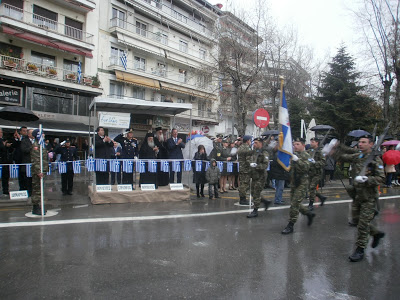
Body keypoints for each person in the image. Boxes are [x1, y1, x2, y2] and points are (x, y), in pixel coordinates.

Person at [329, 135, 385, 262]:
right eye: (359, 142)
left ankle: (360, 249)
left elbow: (381, 178)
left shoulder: (376, 160)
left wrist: (367, 179)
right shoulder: (359, 156)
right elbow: (344, 157)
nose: (360, 144)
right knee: (356, 220)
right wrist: (333, 152)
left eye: (364, 142)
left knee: (362, 225)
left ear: (371, 144)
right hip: (357, 195)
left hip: (368, 197)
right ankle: (376, 233)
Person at [281, 138, 316, 234]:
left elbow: (306, 167)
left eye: (297, 144)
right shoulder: (294, 155)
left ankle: (291, 225)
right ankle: (308, 213)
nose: (295, 146)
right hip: (294, 182)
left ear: (303, 145)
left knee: (294, 204)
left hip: (302, 183)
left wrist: (298, 161)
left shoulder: (306, 156)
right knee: (294, 202)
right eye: (294, 144)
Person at [246, 137, 272, 218]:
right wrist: (250, 163)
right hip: (254, 175)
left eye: (256, 143)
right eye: (254, 143)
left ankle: (255, 210)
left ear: (261, 143)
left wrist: (256, 166)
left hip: (261, 176)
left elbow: (265, 165)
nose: (254, 144)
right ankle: (265, 201)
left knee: (256, 193)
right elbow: (250, 159)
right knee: (253, 192)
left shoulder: (264, 153)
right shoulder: (255, 152)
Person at [30, 129, 49, 215]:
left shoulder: (42, 144)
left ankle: (39, 206)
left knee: (40, 189)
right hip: (37, 171)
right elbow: (36, 160)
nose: (44, 135)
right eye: (42, 133)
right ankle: (35, 207)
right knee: (36, 190)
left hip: (43, 170)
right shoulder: (36, 146)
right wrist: (38, 171)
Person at [307, 137, 327, 210]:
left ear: (317, 143)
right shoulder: (309, 150)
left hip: (317, 173)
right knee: (310, 188)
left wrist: (315, 163)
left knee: (312, 187)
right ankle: (322, 197)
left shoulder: (320, 152)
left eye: (313, 142)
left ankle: (311, 204)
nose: (311, 143)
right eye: (311, 142)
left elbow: (323, 162)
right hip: (310, 172)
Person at [237, 135, 253, 205]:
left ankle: (242, 198)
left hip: (241, 167)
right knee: (245, 184)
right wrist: (253, 166)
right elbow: (248, 159)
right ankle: (243, 199)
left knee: (242, 183)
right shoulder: (247, 148)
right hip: (246, 169)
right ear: (247, 141)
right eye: (250, 140)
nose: (250, 142)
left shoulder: (241, 147)